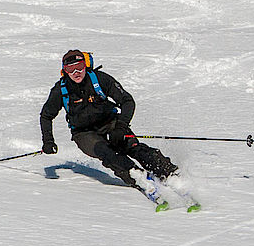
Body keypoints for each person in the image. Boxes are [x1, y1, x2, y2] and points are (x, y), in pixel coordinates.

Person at [39, 49, 178, 195]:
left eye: (79, 67)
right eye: (70, 69)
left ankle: (171, 173)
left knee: (133, 146)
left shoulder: (100, 79)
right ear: (64, 71)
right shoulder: (60, 90)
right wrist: (48, 141)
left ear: (85, 65)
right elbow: (46, 116)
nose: (76, 73)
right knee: (107, 153)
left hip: (110, 123)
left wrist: (121, 127)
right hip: (83, 133)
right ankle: (139, 178)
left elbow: (127, 101)